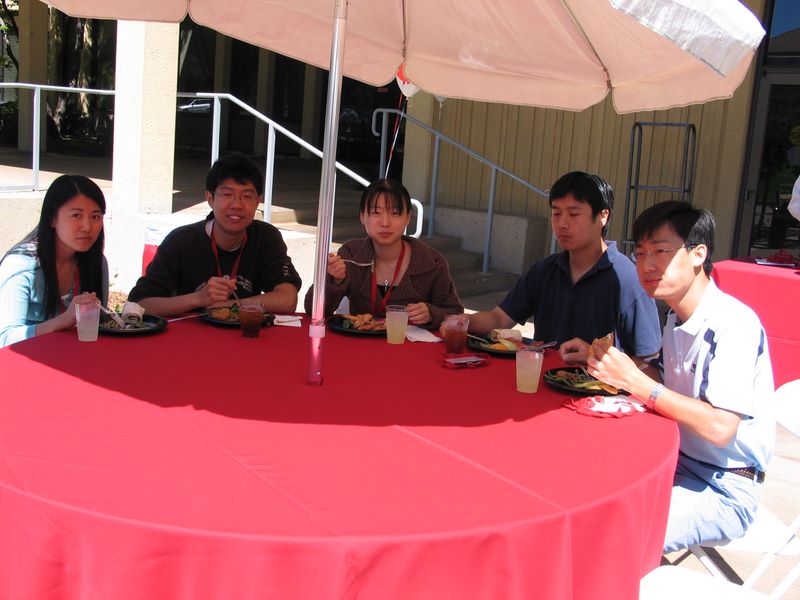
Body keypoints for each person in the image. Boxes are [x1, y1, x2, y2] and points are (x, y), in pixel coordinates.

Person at [588, 200, 774, 553]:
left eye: (660, 251)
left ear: (698, 254)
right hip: (671, 461)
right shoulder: (676, 316)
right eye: (640, 253)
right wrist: (608, 361)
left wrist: (637, 382)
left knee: (613, 537)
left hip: (724, 485)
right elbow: (664, 379)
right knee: (579, 483)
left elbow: (720, 428)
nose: (647, 265)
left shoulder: (734, 323)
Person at [458, 171, 661, 363]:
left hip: (599, 387)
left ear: (603, 216)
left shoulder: (628, 278)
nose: (562, 224)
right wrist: (462, 322)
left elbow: (649, 361)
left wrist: (596, 358)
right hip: (540, 380)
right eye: (556, 213)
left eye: (573, 214)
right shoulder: (543, 271)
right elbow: (499, 318)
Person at [128, 155, 301, 316]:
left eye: (247, 196)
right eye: (227, 194)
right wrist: (198, 299)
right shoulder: (182, 241)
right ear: (210, 199)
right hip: (191, 334)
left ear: (258, 201)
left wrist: (231, 305)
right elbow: (139, 304)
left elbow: (287, 300)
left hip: (244, 334)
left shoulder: (265, 237)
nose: (237, 205)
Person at [304, 178, 463, 329]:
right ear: (362, 217)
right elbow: (313, 309)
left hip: (409, 346)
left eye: (395, 213)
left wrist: (431, 314)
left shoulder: (432, 262)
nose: (385, 223)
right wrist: (334, 281)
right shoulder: (351, 254)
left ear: (408, 218)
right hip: (360, 343)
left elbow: (456, 313)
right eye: (376, 212)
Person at [0, 174, 108, 348]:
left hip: (74, 357)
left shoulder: (97, 262)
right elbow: (4, 338)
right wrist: (63, 320)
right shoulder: (22, 265)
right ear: (52, 218)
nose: (87, 227)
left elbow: (99, 326)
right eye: (76, 215)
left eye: (95, 217)